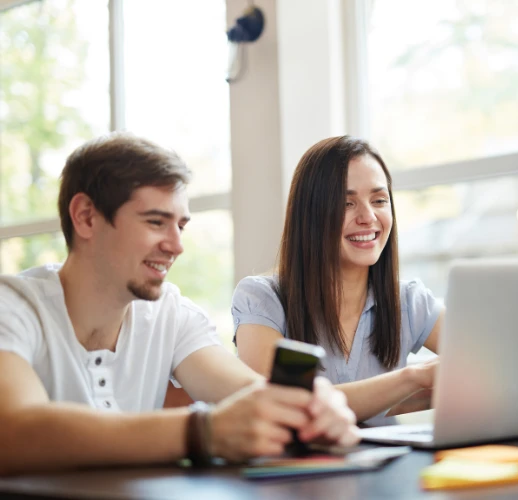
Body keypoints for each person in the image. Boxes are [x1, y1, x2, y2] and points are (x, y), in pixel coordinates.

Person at [0, 133, 358, 476]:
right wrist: (201, 432)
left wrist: (311, 408)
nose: (176, 245)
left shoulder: (170, 314)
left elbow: (246, 390)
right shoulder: (13, 306)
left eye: (180, 226)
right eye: (156, 222)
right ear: (86, 216)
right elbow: (12, 431)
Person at [233, 136, 444, 424]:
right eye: (346, 203)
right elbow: (289, 408)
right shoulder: (262, 299)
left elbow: (492, 360)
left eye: (379, 200)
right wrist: (414, 378)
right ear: (311, 215)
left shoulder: (408, 300)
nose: (368, 217)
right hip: (305, 469)